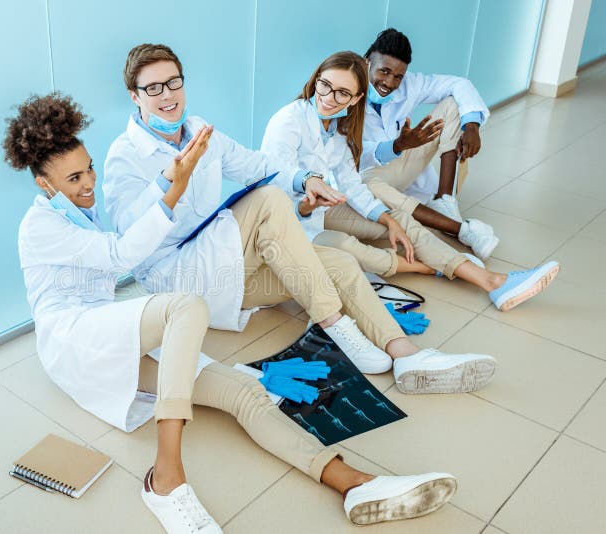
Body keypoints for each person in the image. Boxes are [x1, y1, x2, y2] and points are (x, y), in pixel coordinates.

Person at [4, 92, 461, 532]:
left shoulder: (76, 208)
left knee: (244, 392)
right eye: (74, 179)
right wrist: (174, 188)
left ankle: (355, 483)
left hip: (107, 332)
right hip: (73, 336)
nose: (88, 184)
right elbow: (122, 254)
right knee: (185, 309)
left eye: (88, 170)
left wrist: (171, 180)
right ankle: (165, 478)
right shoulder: (40, 226)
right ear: (44, 184)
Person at [104, 43, 497, 389]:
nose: (167, 95)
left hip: (227, 274)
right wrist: (168, 184)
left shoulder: (201, 133)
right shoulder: (124, 155)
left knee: (339, 262)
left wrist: (306, 178)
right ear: (134, 96)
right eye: (153, 88)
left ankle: (408, 355)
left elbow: (261, 165)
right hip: (178, 275)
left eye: (174, 82)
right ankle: (335, 325)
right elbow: (126, 239)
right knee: (271, 200)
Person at [260, 51, 560, 312]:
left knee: (400, 219)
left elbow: (350, 184)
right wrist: (308, 187)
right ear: (315, 81)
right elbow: (275, 173)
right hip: (289, 220)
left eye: (342, 93)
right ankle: (433, 266)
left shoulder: (337, 128)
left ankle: (494, 282)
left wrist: (388, 220)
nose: (329, 98)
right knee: (350, 249)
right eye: (325, 86)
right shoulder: (289, 120)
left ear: (355, 99)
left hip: (320, 210)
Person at [361, 28, 499, 259]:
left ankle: (444, 201)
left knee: (453, 105)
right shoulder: (345, 89)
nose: (390, 82)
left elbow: (459, 84)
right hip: (368, 175)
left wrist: (471, 126)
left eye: (398, 76)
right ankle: (463, 230)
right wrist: (397, 146)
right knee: (370, 186)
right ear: (367, 63)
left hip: (402, 165)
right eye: (384, 71)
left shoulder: (409, 84)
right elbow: (347, 154)